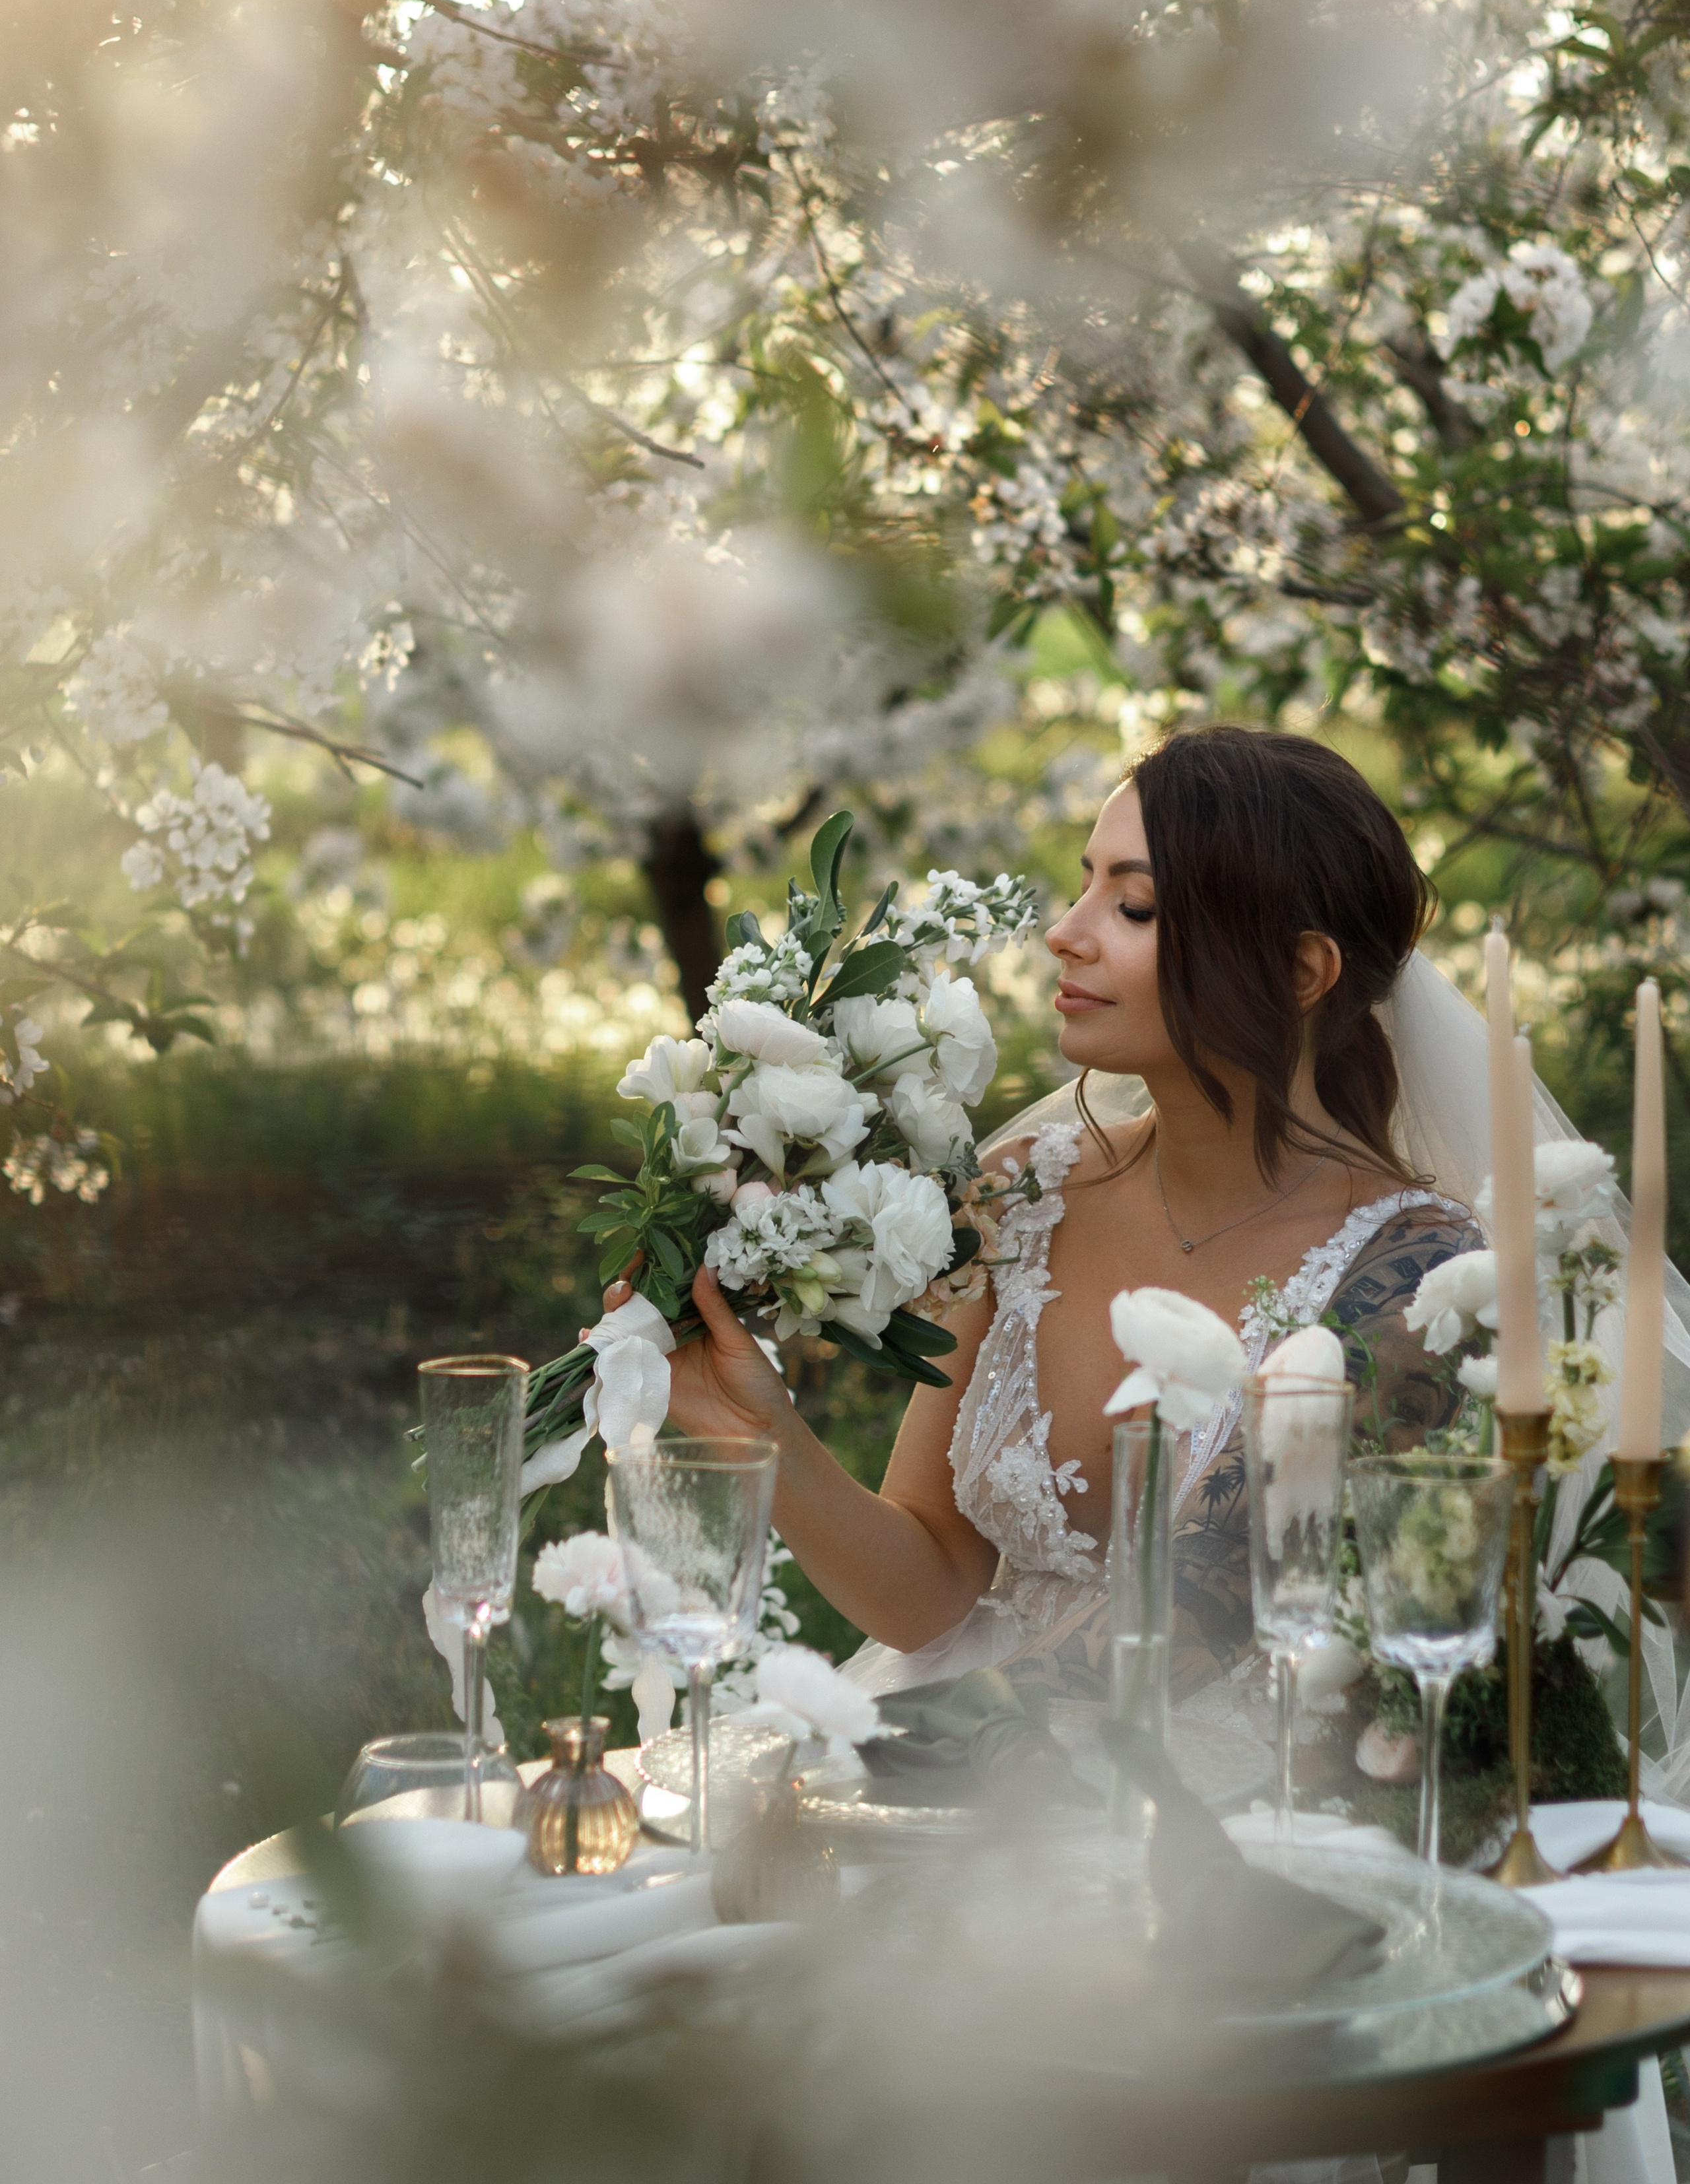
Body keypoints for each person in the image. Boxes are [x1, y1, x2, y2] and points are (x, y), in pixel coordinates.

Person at [607, 725, 1484, 1702]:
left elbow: (1189, 1635)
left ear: (1300, 974)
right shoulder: (1025, 1189)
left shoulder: (1419, 1278)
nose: (1067, 931)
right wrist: (757, 1430)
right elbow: (931, 1587)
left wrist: (847, 1752)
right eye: (1085, 884)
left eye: (1135, 905)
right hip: (975, 1739)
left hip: (1211, 1807)